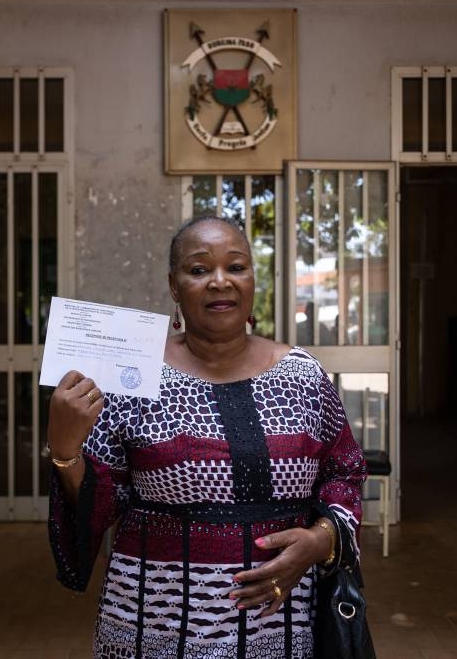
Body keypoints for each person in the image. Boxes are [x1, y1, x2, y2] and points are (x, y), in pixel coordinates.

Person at [47, 215, 368, 658]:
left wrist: (322, 539)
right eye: (199, 270)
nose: (220, 282)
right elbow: (103, 502)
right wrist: (64, 449)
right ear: (174, 287)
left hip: (283, 622)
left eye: (236, 267)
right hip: (153, 624)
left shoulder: (303, 375)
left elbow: (345, 472)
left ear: (253, 279)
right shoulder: (132, 376)